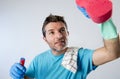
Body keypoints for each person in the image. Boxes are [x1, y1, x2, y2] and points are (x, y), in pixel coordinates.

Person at [10, 5, 120, 79]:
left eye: (62, 30)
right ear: (45, 39)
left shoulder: (80, 56)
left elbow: (112, 53)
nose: (59, 35)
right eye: (51, 32)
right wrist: (19, 75)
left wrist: (103, 18)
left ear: (67, 33)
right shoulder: (38, 60)